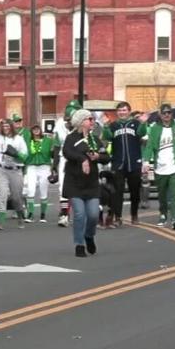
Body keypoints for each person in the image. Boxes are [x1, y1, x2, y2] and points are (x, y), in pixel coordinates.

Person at [62, 109, 110, 257]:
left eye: (92, 119)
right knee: (79, 214)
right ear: (82, 121)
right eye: (89, 119)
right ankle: (79, 244)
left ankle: (89, 235)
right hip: (75, 182)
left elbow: (106, 156)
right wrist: (82, 159)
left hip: (91, 183)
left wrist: (97, 156)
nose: (92, 122)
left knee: (94, 215)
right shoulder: (71, 138)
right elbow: (67, 152)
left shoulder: (94, 139)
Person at [143, 103, 175, 230]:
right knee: (162, 194)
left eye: (169, 112)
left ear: (172, 114)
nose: (167, 115)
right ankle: (163, 215)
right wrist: (146, 161)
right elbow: (149, 147)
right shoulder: (154, 129)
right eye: (164, 113)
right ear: (160, 115)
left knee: (174, 194)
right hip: (160, 167)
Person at [102, 101, 148, 226]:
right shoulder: (113, 125)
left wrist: (143, 123)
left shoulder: (135, 123)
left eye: (124, 110)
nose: (122, 112)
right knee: (118, 192)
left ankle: (134, 215)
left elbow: (142, 133)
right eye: (120, 110)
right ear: (117, 113)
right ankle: (118, 217)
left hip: (134, 162)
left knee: (135, 191)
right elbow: (107, 137)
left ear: (129, 111)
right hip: (118, 163)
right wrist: (106, 126)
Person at [56, 100, 81, 227]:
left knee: (81, 185)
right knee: (63, 186)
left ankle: (81, 213)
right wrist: (53, 166)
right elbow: (56, 145)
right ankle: (64, 214)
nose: (69, 122)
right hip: (64, 158)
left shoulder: (84, 126)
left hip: (80, 158)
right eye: (67, 120)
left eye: (71, 119)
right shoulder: (60, 125)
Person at [24, 124, 55, 223]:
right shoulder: (28, 141)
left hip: (44, 167)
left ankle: (43, 214)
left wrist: (54, 167)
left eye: (37, 129)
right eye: (34, 129)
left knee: (43, 190)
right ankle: (31, 213)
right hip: (31, 166)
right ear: (31, 131)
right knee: (30, 189)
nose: (36, 131)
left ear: (40, 130)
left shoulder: (48, 140)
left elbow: (53, 153)